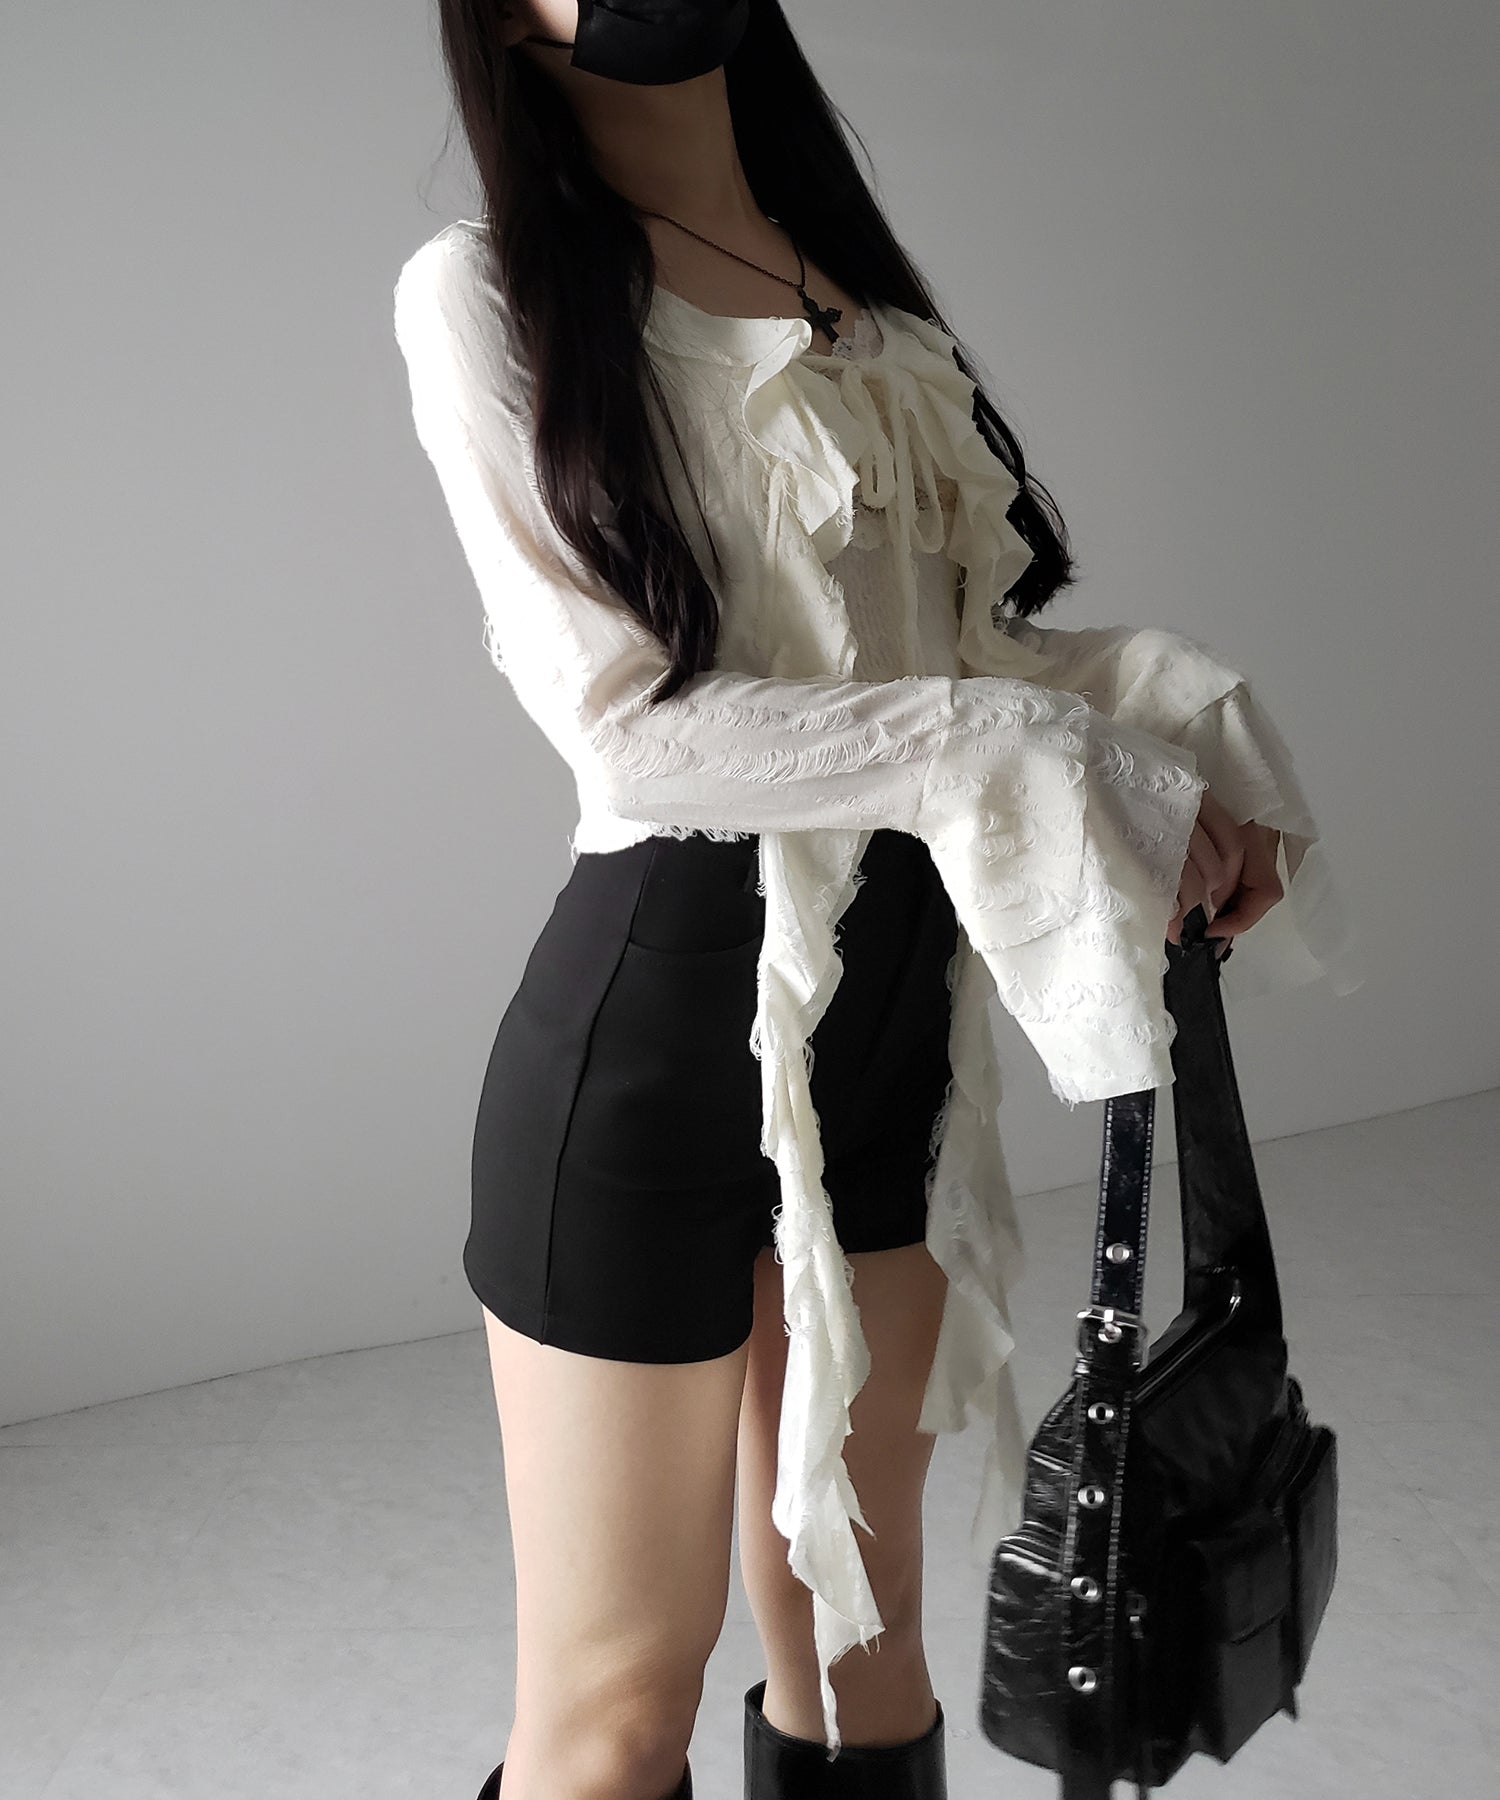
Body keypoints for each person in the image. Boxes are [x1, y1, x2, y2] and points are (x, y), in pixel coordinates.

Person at [392, 5, 1362, 1796]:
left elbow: (962, 665)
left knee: (866, 1629)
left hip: (890, 1040)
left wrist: (1175, 737)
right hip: (653, 1050)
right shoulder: (488, 289)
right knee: (616, 1707)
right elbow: (639, 737)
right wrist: (1053, 757)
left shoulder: (855, 298)